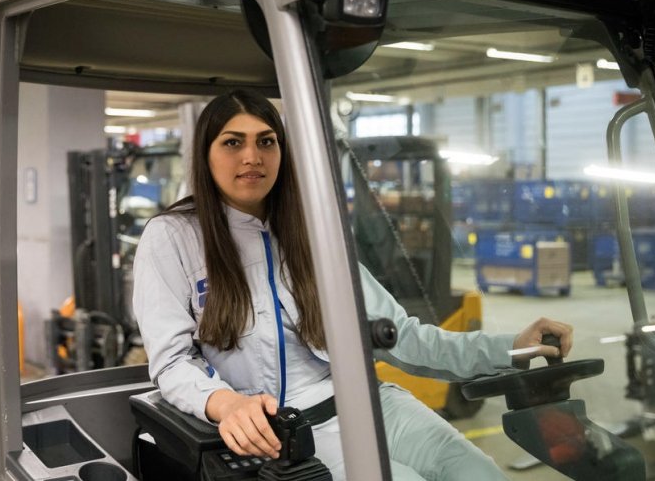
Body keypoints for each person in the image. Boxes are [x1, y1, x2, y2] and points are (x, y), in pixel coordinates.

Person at [132, 89, 574, 480]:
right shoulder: (173, 237)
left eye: (266, 142)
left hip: (369, 406)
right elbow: (171, 362)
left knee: (478, 472)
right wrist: (225, 404)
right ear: (205, 155)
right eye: (233, 143)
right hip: (287, 432)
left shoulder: (312, 232)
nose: (252, 157)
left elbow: (401, 337)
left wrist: (511, 348)